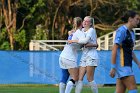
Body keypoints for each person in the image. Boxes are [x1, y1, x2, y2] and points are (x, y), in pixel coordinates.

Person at [109, 10, 140, 93]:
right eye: (137, 19)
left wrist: (138, 63)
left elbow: (130, 51)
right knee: (133, 88)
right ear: (130, 19)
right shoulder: (122, 31)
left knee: (120, 91)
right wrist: (113, 67)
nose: (138, 21)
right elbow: (114, 48)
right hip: (122, 65)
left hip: (126, 64)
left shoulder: (132, 33)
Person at [68, 16, 99, 93]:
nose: (84, 22)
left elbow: (85, 41)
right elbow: (75, 34)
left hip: (91, 56)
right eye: (84, 21)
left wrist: (74, 41)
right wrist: (70, 33)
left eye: (87, 21)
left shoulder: (91, 30)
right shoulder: (82, 30)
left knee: (89, 78)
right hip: (84, 56)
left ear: (91, 23)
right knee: (79, 78)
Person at [59, 17, 85, 93]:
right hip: (69, 58)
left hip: (62, 56)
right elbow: (83, 41)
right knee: (75, 77)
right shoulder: (79, 32)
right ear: (81, 24)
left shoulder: (72, 32)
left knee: (64, 77)